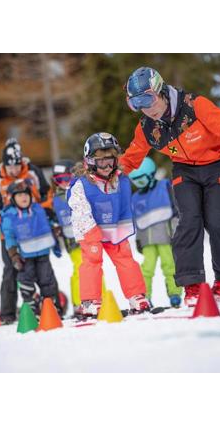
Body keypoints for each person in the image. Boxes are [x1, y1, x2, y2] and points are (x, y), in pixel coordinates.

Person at [120, 66, 220, 306]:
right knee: (188, 221)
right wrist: (108, 174)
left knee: (217, 221)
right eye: (136, 104)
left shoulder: (194, 106)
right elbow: (131, 158)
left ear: (160, 91)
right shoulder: (147, 127)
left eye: (148, 99)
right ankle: (193, 285)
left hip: (219, 164)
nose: (145, 108)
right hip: (185, 171)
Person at [67, 132, 150, 317]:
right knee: (92, 261)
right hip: (91, 229)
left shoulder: (120, 179)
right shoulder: (81, 185)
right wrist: (91, 232)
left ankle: (137, 296)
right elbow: (79, 209)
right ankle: (90, 301)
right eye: (100, 161)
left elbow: (135, 155)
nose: (106, 166)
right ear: (89, 161)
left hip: (115, 228)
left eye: (110, 160)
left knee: (126, 259)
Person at [0, 139, 54, 323]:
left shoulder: (33, 172)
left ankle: (51, 306)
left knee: (43, 269)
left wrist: (42, 215)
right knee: (11, 270)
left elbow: (47, 195)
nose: (14, 170)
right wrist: (8, 225)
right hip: (10, 235)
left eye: (17, 166)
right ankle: (7, 314)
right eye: (11, 168)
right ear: (4, 166)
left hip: (35, 234)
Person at [51, 159, 111, 313]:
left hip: (88, 236)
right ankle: (80, 303)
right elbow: (55, 221)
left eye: (66, 178)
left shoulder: (82, 189)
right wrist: (55, 239)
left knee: (94, 268)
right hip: (72, 241)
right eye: (59, 180)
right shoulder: (56, 199)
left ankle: (100, 299)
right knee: (80, 268)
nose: (63, 183)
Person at [1, 179, 63, 316]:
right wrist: (13, 255)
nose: (24, 198)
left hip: (42, 254)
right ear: (13, 199)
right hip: (25, 257)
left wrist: (55, 231)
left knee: (48, 281)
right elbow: (9, 236)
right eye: (19, 195)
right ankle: (32, 310)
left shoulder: (38, 209)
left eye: (26, 194)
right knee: (25, 283)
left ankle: (53, 309)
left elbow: (47, 225)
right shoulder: (9, 215)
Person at [128, 156, 183, 307]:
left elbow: (176, 208)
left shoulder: (164, 187)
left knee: (170, 265)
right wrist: (138, 239)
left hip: (166, 236)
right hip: (147, 240)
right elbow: (137, 222)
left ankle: (175, 293)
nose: (139, 183)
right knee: (146, 269)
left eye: (141, 178)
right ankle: (145, 296)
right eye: (135, 180)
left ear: (151, 174)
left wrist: (177, 229)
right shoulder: (135, 198)